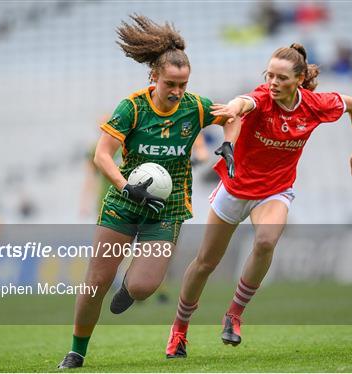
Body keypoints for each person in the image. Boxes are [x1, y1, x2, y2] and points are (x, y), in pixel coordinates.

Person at [58, 15, 239, 369]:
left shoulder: (196, 107)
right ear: (153, 77)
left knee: (143, 288)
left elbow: (233, 115)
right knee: (95, 282)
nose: (177, 91)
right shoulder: (133, 107)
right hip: (124, 204)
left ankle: (129, 289)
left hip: (167, 210)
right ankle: (77, 350)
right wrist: (126, 187)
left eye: (183, 84)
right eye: (171, 83)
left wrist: (228, 144)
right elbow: (101, 155)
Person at [165, 43, 352, 358]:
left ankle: (234, 314)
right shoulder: (260, 98)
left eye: (281, 78)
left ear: (299, 79)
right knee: (206, 263)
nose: (273, 83)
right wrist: (232, 109)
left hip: (275, 191)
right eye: (269, 75)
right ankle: (179, 330)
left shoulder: (315, 105)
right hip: (234, 188)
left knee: (266, 241)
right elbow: (243, 103)